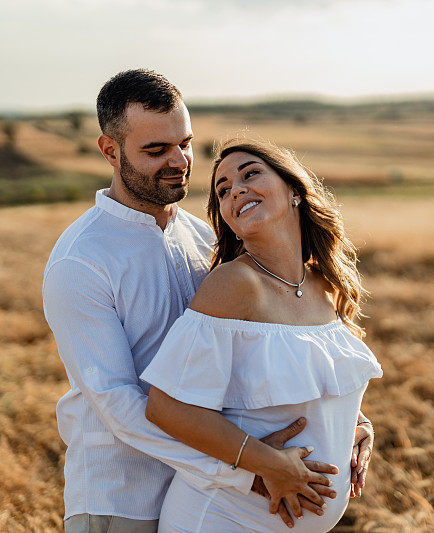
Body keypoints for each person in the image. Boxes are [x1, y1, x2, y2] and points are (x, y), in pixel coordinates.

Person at [42, 69, 376, 533]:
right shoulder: (81, 261)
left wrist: (345, 422)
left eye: (185, 143)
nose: (179, 160)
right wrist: (248, 468)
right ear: (110, 151)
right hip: (126, 496)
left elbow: (268, 346)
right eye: (156, 150)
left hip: (221, 490)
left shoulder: (205, 240)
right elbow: (117, 402)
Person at [139, 138, 383, 532]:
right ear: (228, 218)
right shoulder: (235, 285)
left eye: (250, 173)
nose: (236, 189)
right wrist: (266, 463)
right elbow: (166, 408)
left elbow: (312, 383)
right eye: (223, 190)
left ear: (293, 192)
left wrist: (356, 422)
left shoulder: (325, 284)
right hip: (223, 517)